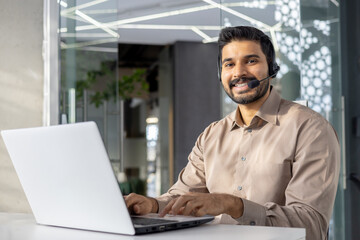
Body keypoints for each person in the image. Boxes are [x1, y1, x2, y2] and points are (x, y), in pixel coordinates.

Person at [125, 26, 340, 240]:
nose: (238, 73)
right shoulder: (211, 135)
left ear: (272, 69)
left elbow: (310, 226)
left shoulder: (310, 129)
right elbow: (182, 197)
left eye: (251, 61)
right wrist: (152, 204)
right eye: (229, 64)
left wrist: (233, 205)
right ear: (221, 74)